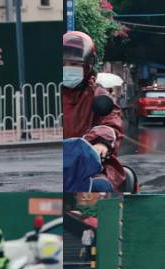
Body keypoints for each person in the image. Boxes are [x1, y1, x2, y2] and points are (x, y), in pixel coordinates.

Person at [63, 31, 125, 192]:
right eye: (64, 63)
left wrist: (101, 143)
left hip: (88, 165)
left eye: (75, 65)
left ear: (88, 65)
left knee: (100, 187)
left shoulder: (98, 94)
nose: (68, 68)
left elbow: (111, 122)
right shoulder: (45, 93)